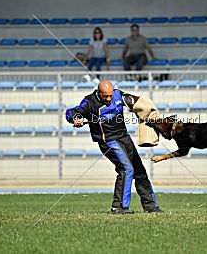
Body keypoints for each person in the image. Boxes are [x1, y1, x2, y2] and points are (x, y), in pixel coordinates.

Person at [65, 80, 163, 214]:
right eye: (105, 96)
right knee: (126, 169)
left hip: (124, 138)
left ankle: (151, 206)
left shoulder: (118, 95)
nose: (109, 99)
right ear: (98, 92)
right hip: (109, 142)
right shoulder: (90, 102)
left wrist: (147, 110)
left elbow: (134, 101)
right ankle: (118, 207)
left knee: (139, 171)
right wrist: (76, 118)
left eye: (110, 95)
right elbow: (71, 112)